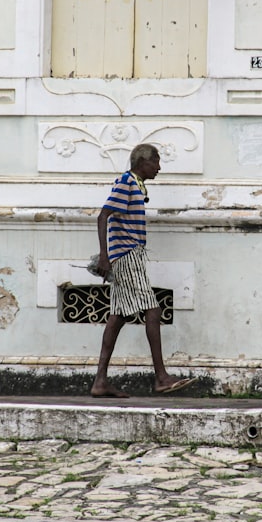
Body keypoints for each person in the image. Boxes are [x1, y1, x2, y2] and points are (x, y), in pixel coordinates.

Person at [90, 143, 194, 398]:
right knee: (153, 309)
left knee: (118, 317)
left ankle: (100, 382)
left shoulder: (134, 184)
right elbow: (103, 216)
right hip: (127, 256)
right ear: (142, 162)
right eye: (156, 162)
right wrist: (105, 256)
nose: (159, 167)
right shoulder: (126, 182)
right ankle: (161, 377)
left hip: (128, 255)